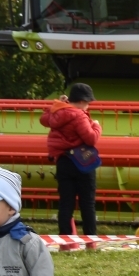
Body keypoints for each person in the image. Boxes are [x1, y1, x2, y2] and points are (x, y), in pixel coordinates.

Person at [41, 82, 101, 236]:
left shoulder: (57, 113)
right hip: (82, 162)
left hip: (63, 161)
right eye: (87, 103)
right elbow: (91, 139)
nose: (88, 106)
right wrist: (96, 126)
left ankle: (65, 239)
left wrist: (59, 103)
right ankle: (90, 239)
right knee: (87, 203)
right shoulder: (78, 115)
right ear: (81, 101)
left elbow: (44, 118)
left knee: (66, 203)